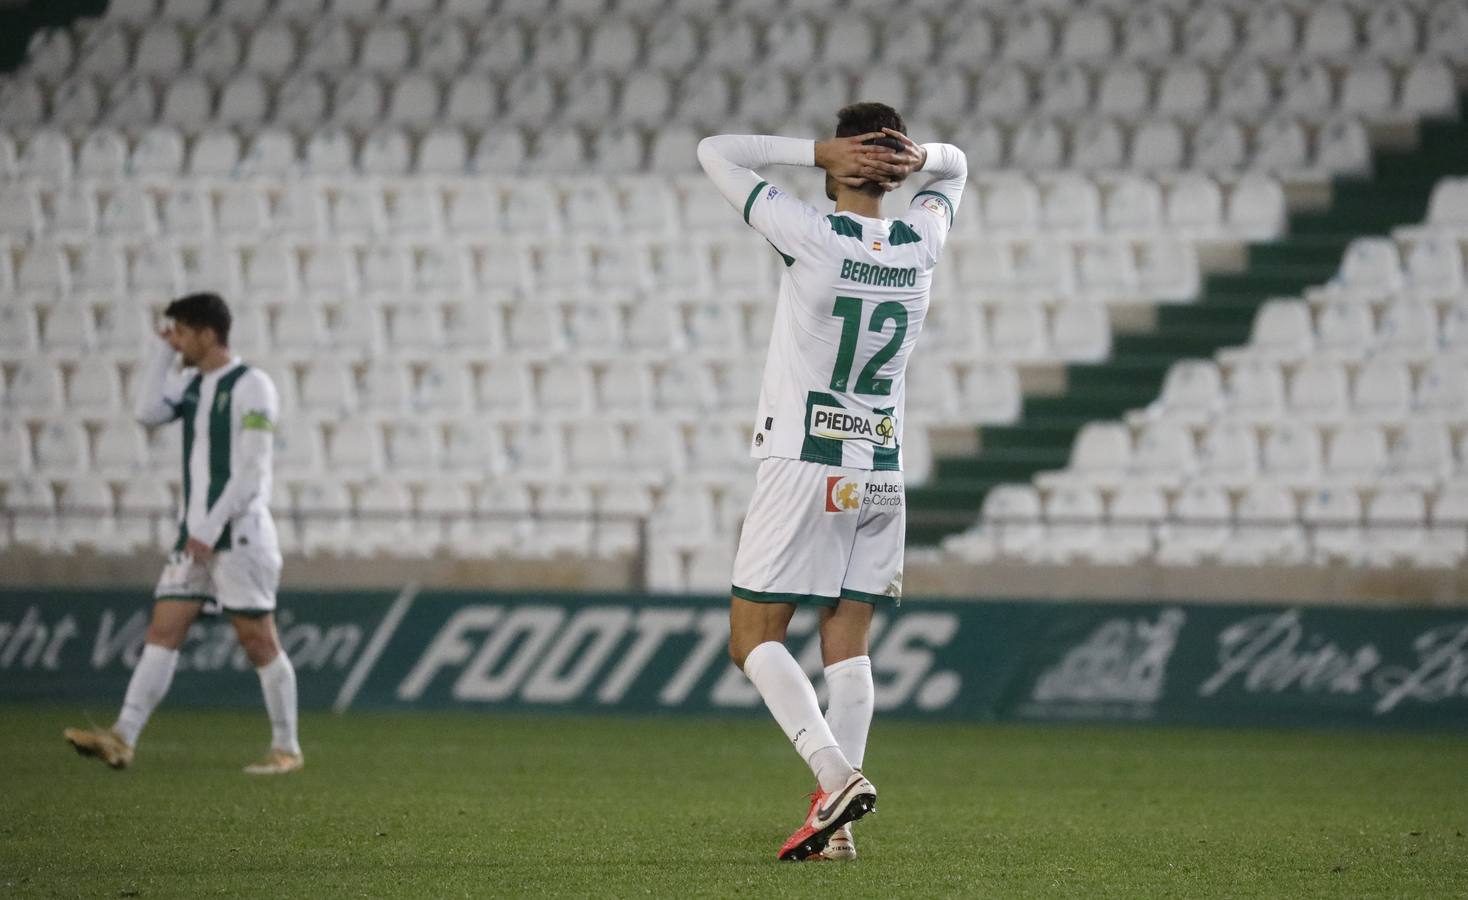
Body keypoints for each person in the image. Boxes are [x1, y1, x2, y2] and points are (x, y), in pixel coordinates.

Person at [697, 102, 967, 861]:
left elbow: (716, 149)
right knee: (847, 642)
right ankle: (836, 830)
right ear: (896, 159)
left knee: (752, 637)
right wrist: (923, 160)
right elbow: (960, 166)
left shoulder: (811, 234)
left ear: (838, 159)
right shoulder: (921, 240)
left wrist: (810, 150)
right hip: (880, 469)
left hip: (805, 461)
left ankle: (834, 777)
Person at [64, 292, 303, 775]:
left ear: (208, 333)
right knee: (164, 630)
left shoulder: (253, 386)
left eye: (184, 332)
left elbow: (254, 471)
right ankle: (122, 737)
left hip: (238, 535)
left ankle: (287, 748)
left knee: (259, 640)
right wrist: (162, 352)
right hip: (193, 537)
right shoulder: (193, 385)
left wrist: (211, 526)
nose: (179, 341)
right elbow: (148, 412)